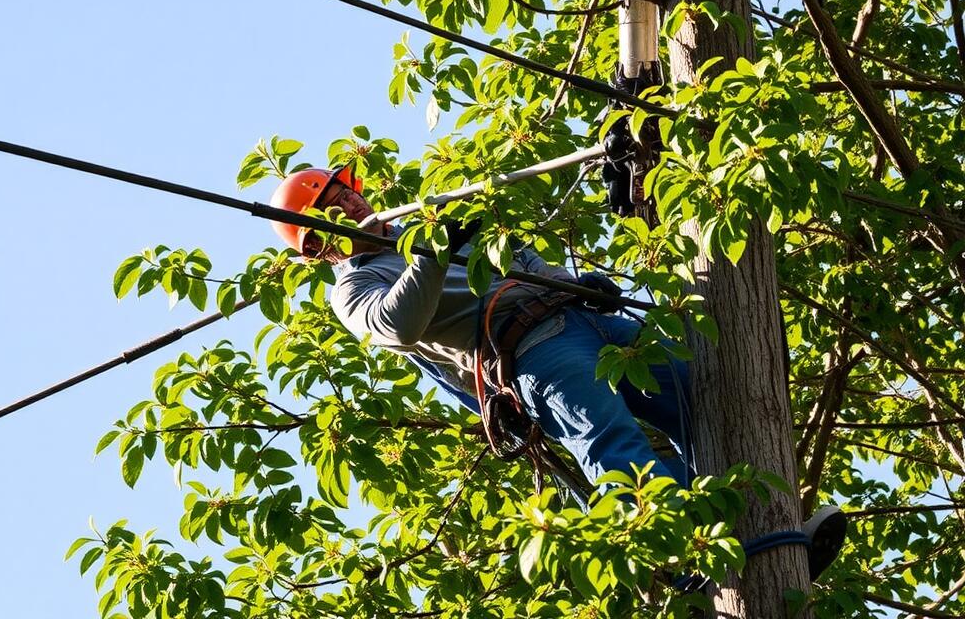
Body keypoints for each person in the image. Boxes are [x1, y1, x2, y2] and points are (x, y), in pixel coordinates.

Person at [268, 164, 848, 581]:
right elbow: (398, 325)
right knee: (614, 442)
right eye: (329, 210)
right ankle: (693, 550)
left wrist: (572, 283)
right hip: (532, 351)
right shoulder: (354, 288)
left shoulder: (432, 227)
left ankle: (766, 519)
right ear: (317, 245)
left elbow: (520, 262)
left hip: (584, 323)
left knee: (711, 392)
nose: (347, 205)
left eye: (343, 193)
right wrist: (430, 253)